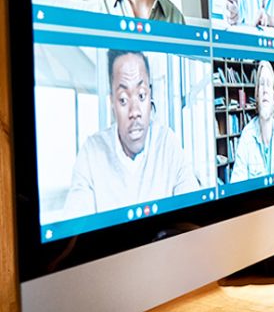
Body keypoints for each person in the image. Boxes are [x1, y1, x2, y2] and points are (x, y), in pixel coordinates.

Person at [64, 50, 199, 217]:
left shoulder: (167, 142)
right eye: (123, 99)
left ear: (150, 97)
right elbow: (75, 229)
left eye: (141, 96)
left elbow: (193, 214)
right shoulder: (92, 153)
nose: (134, 111)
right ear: (112, 103)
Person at [230, 61, 274, 182]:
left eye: (269, 84)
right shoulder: (247, 135)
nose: (265, 90)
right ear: (257, 96)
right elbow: (237, 185)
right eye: (261, 84)